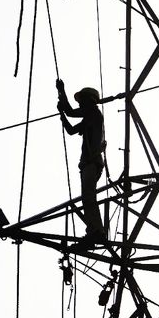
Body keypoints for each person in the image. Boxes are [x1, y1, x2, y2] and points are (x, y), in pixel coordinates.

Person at [57, 79, 107, 247]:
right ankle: (94, 230)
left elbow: (71, 112)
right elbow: (71, 130)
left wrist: (61, 91)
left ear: (89, 101)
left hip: (91, 163)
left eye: (82, 101)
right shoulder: (90, 117)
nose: (80, 104)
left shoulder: (93, 113)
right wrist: (62, 116)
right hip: (89, 164)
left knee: (89, 198)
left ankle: (96, 231)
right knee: (87, 198)